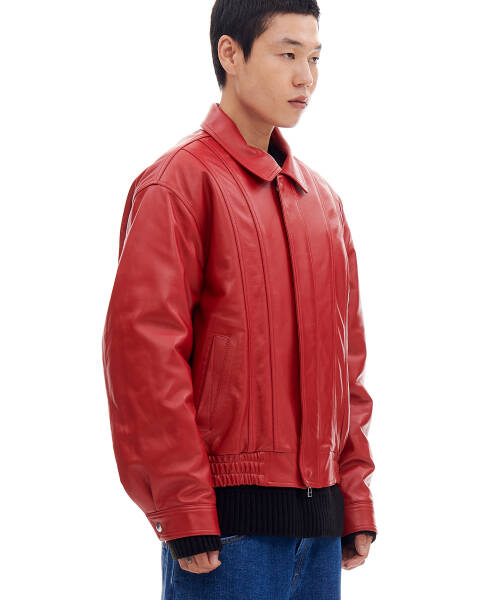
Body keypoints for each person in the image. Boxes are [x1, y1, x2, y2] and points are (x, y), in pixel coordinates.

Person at [102, 1, 377, 597]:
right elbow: (144, 359)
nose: (306, 77)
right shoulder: (178, 184)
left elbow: (345, 368)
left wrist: (352, 494)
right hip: (227, 536)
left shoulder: (323, 203)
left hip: (320, 533)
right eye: (287, 54)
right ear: (230, 53)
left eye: (315, 58)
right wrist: (183, 508)